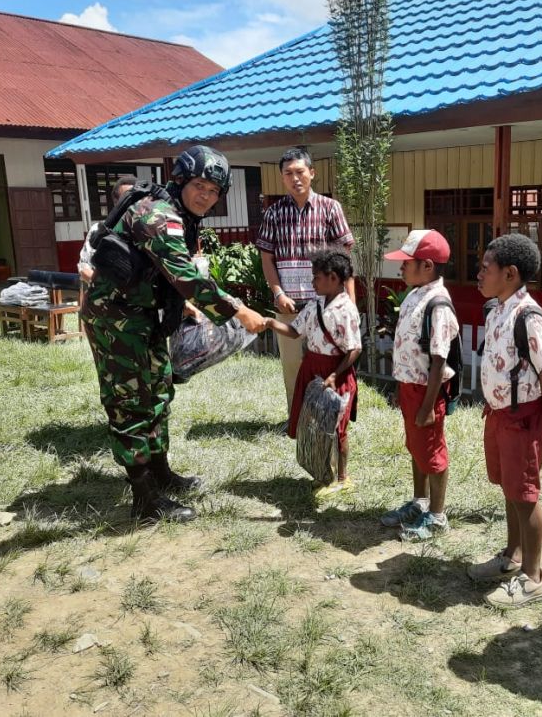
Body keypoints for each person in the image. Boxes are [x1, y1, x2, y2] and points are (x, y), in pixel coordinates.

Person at [82, 145, 266, 523]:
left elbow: (180, 278)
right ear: (180, 180)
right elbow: (186, 277)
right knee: (129, 402)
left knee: (158, 392)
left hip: (143, 316)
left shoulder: (178, 214)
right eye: (200, 185)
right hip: (116, 319)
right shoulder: (157, 215)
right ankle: (145, 499)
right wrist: (239, 312)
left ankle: (161, 473)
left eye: (215, 192)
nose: (207, 196)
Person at [466, 234, 542, 608]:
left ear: (510, 273)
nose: (479, 274)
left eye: (485, 268)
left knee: (525, 494)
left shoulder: (528, 316)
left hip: (524, 419)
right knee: (509, 488)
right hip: (502, 416)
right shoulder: (498, 309)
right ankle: (512, 556)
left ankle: (534, 577)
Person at [256, 148, 356, 414]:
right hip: (288, 305)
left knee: (326, 362)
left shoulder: (330, 208)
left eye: (300, 171)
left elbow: (345, 259)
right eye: (288, 173)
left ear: (312, 173)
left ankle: (328, 416)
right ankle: (297, 419)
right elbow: (267, 259)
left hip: (325, 307)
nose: (295, 178)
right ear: (282, 178)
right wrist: (278, 294)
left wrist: (350, 304)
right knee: (292, 366)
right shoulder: (274, 214)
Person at [379, 230, 459, 541]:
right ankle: (419, 502)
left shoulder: (437, 304)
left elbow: (439, 360)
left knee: (433, 452)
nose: (401, 268)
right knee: (416, 446)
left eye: (406, 263)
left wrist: (428, 407)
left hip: (428, 391)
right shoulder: (416, 292)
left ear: (426, 266)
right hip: (410, 387)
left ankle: (437, 517)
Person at [266, 249, 361, 499]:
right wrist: (269, 323)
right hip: (312, 371)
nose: (312, 282)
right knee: (315, 425)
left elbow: (354, 349)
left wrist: (334, 376)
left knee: (337, 427)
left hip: (335, 373)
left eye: (316, 277)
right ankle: (323, 474)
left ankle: (343, 477)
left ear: (332, 278)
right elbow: (296, 331)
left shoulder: (346, 310)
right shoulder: (315, 305)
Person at [79, 175, 137, 284]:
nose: (134, 204)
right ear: (116, 203)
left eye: (137, 198)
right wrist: (108, 287)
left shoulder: (150, 230)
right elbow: (84, 268)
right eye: (127, 199)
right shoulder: (100, 231)